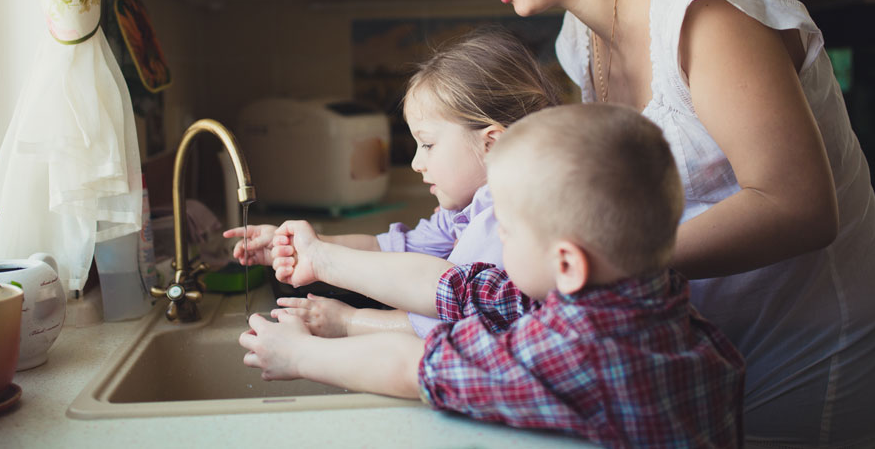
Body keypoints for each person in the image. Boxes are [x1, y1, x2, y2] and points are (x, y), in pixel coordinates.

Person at [457, 0, 875, 445]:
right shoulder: (581, 41)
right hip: (703, 355)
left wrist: (615, 263)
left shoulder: (699, 3)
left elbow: (801, 207)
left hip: (814, 353)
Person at [241, 104, 746, 447]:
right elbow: (453, 287)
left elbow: (413, 366)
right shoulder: (655, 306)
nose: (497, 239)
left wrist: (300, 354)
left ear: (567, 264)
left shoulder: (578, 354)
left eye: (505, 228)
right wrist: (323, 258)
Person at [224, 27, 561, 338]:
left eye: (427, 144)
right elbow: (392, 247)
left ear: (492, 145)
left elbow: (448, 312)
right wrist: (303, 244)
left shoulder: (504, 217)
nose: (415, 163)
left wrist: (349, 322)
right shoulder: (471, 207)